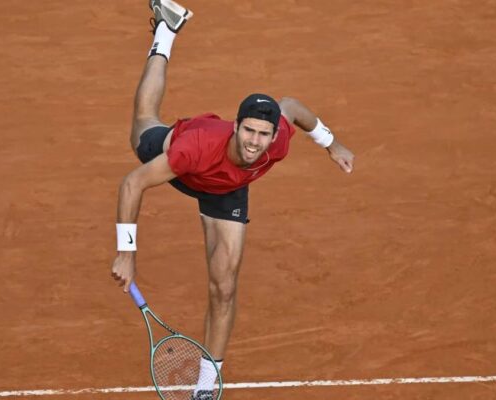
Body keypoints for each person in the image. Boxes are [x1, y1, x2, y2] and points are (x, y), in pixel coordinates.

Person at [111, 0, 354, 397]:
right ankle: (165, 34)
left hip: (225, 190)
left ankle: (206, 387)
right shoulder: (196, 148)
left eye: (263, 133)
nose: (255, 141)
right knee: (142, 120)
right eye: (248, 131)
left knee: (223, 286)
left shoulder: (277, 140)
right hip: (184, 162)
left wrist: (331, 143)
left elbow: (291, 106)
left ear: (274, 134)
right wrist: (126, 252)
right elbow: (131, 184)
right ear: (235, 126)